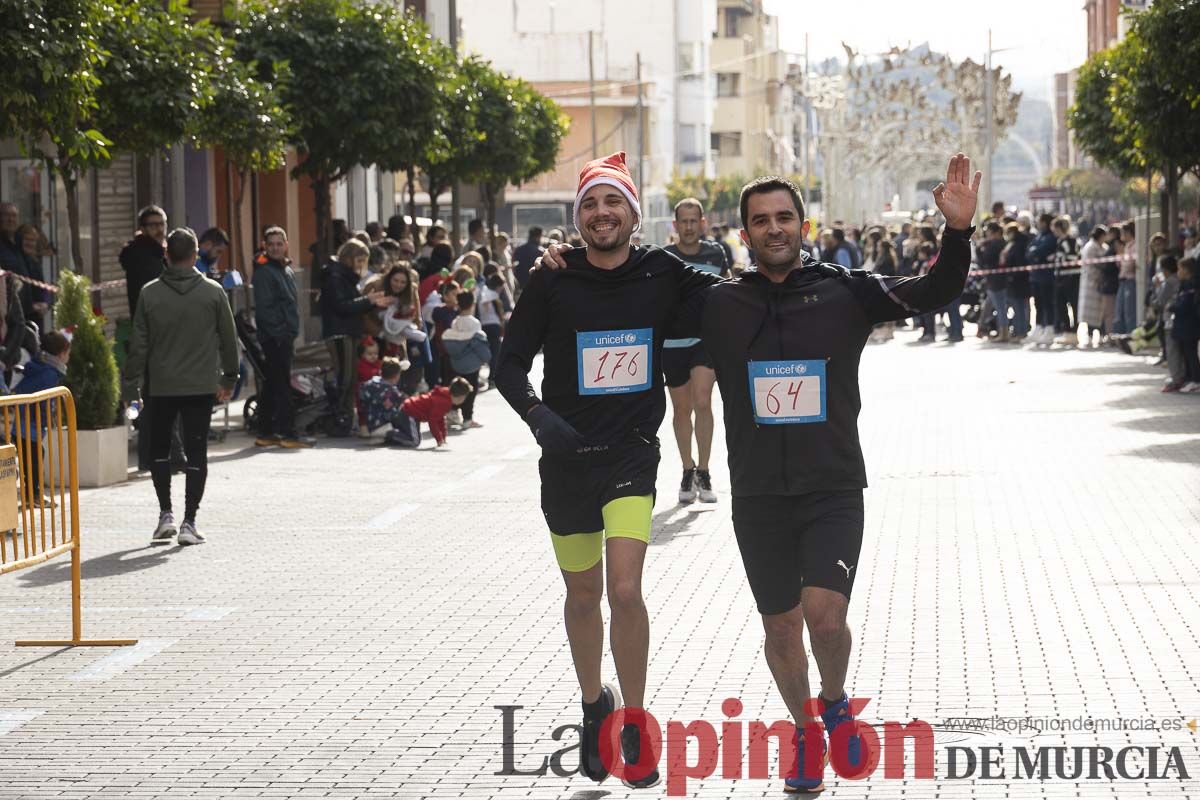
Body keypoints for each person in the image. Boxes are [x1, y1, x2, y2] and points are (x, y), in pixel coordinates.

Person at [697, 157, 978, 792]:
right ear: (744, 234)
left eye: (784, 217)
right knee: (779, 625)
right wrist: (564, 263)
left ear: (803, 223)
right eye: (760, 220)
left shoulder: (844, 289)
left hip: (832, 487)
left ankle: (834, 699)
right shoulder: (718, 303)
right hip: (759, 493)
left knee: (825, 618)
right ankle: (802, 734)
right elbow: (631, 295)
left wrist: (956, 233)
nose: (774, 229)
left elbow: (934, 291)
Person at [497, 151, 723, 790]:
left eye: (613, 202)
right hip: (566, 460)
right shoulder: (553, 277)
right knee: (581, 596)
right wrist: (540, 418)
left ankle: (634, 717)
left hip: (631, 453)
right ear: (580, 217)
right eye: (591, 204)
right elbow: (508, 365)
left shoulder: (663, 272)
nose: (603, 214)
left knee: (625, 591)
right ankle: (594, 701)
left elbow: (736, 294)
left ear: (632, 212)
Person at [124, 228, 239, 546]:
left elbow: (139, 345)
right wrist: (229, 378)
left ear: (166, 255)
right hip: (201, 386)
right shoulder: (213, 293)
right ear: (195, 253)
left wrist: (130, 385)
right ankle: (190, 521)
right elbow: (230, 342)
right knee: (196, 452)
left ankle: (165, 515)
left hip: (160, 386)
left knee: (159, 451)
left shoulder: (149, 293)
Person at [662, 197, 729, 504]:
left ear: (703, 223)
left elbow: (725, 291)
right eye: (683, 221)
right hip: (673, 344)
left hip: (706, 341)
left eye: (694, 221)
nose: (689, 227)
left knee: (703, 400)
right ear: (675, 225)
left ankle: (704, 470)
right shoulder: (663, 257)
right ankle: (687, 469)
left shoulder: (716, 253)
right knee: (681, 410)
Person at [320, 238, 391, 436]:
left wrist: (371, 302)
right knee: (345, 377)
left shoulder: (344, 277)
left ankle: (346, 418)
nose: (361, 266)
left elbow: (350, 303)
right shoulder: (336, 277)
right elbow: (343, 306)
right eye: (358, 260)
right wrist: (368, 300)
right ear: (349, 258)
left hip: (348, 331)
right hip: (339, 332)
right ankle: (339, 417)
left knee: (350, 377)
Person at [251, 227, 311, 449]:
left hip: (283, 335)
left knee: (272, 384)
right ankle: (288, 433)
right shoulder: (264, 272)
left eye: (279, 243)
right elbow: (265, 310)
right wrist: (281, 334)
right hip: (275, 337)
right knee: (283, 385)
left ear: (286, 244)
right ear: (265, 246)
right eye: (271, 244)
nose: (275, 247)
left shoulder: (284, 269)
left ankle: (266, 432)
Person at [12, 330, 70, 503]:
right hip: (29, 424)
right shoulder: (49, 373)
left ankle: (31, 493)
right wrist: (47, 418)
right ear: (61, 354)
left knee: (31, 457)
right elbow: (44, 400)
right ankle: (34, 494)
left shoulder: (40, 365)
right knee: (35, 457)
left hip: (23, 424)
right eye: (68, 353)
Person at [441, 292, 490, 429]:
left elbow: (457, 342)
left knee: (456, 388)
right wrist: (485, 358)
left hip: (455, 361)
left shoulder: (455, 322)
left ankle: (452, 412)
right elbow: (477, 342)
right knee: (470, 390)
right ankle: (468, 418)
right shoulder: (474, 323)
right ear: (472, 304)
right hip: (471, 364)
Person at [394, 376, 473, 447]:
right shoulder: (444, 402)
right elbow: (433, 421)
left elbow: (441, 419)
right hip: (409, 412)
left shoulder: (445, 395)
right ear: (460, 397)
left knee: (413, 436)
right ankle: (389, 433)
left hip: (412, 411)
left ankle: (394, 433)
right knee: (415, 441)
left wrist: (443, 437)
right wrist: (439, 439)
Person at [1025, 213, 1059, 345]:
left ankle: (1049, 329)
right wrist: (1034, 252)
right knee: (1038, 304)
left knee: (1047, 303)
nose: (1037, 223)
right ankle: (1038, 328)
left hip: (1046, 276)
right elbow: (1029, 252)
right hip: (1036, 275)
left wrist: (1035, 252)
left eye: (1039, 221)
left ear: (1044, 222)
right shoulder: (1039, 236)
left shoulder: (1050, 237)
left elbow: (1041, 251)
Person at [1169, 258, 1200, 392]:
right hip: (1185, 324)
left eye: (1180, 269)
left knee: (1190, 352)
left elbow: (1185, 305)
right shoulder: (1185, 284)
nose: (1178, 272)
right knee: (1186, 352)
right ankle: (1188, 378)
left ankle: (1195, 380)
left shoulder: (1191, 285)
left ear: (1187, 270)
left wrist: (1172, 307)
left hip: (1189, 324)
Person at [1077, 225, 1107, 348]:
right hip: (1092, 282)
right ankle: (1090, 335)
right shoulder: (1091, 247)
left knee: (1100, 311)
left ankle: (1100, 334)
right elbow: (1091, 266)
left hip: (1099, 282)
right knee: (1091, 313)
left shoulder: (1101, 247)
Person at [1115, 221, 1138, 335]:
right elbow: (1120, 265)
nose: (1121, 235)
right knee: (1120, 309)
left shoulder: (1134, 246)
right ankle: (1120, 334)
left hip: (1130, 280)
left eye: (1122, 232)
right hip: (1123, 280)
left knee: (1130, 310)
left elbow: (1129, 265)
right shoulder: (1126, 246)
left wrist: (1121, 258)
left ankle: (1130, 334)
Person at [512, 226, 546, 291]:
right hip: (536, 285)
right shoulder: (541, 251)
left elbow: (514, 266)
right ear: (537, 237)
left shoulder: (518, 250)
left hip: (521, 284)